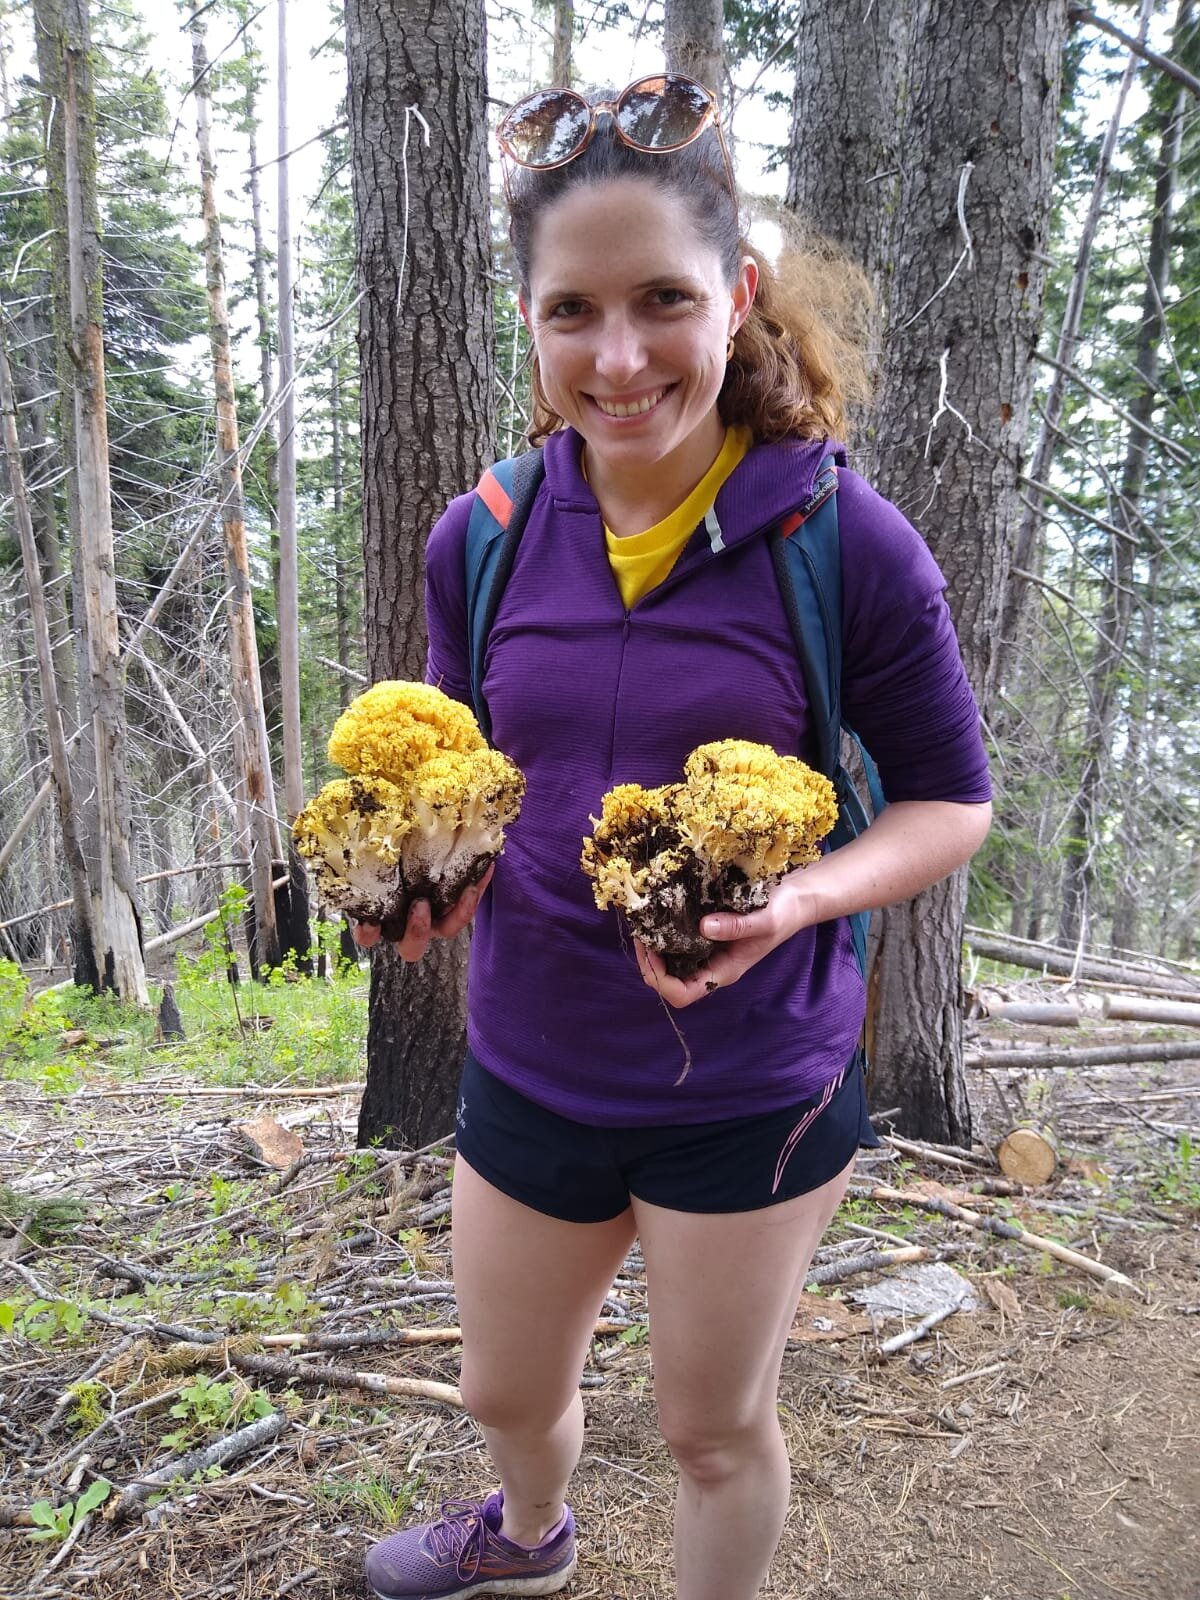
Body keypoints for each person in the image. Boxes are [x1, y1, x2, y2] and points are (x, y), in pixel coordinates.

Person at [355, 73, 992, 1600]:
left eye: (663, 301)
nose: (620, 356)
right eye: (573, 310)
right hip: (532, 1055)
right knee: (505, 1393)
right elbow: (469, 762)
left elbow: (951, 803)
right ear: (527, 318)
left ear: (739, 297)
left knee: (712, 1431)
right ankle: (528, 1537)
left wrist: (807, 896)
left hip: (751, 1081)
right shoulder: (488, 535)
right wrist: (430, 874)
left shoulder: (840, 540)